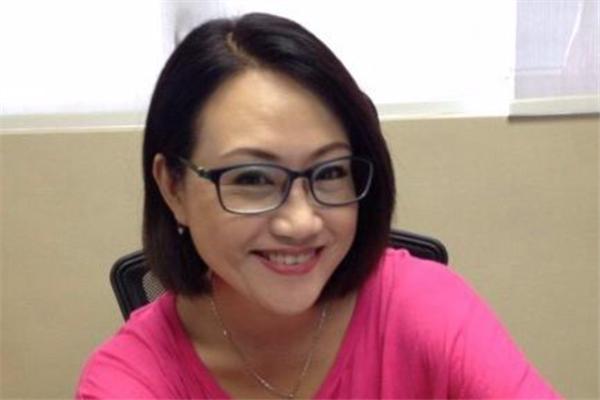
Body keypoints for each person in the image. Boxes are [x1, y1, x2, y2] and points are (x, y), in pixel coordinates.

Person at [76, 12, 560, 399]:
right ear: (173, 188)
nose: (301, 222)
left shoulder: (425, 307)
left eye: (329, 172)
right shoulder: (132, 378)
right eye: (252, 179)